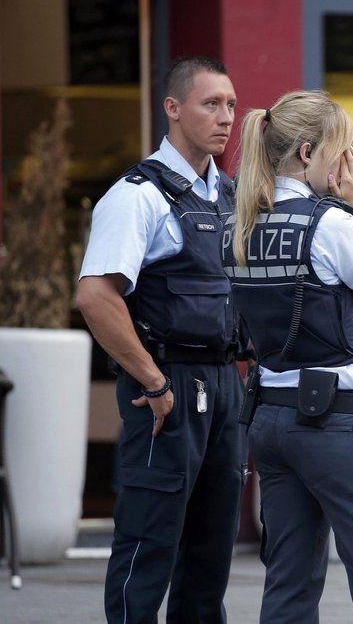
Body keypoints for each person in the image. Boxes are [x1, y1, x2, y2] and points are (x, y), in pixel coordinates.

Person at [224, 90, 353, 623]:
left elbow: (304, 300)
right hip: (336, 422)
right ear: (309, 153)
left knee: (288, 578)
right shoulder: (330, 222)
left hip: (269, 419)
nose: (351, 164)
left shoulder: (240, 224)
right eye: (344, 150)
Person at [76, 56, 246, 623]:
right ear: (173, 108)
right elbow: (96, 296)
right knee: (149, 544)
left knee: (210, 554)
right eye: (210, 104)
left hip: (224, 385)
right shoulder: (137, 195)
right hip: (167, 387)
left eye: (229, 104)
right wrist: (151, 379)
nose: (226, 117)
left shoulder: (230, 193)